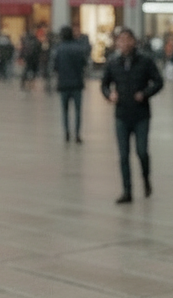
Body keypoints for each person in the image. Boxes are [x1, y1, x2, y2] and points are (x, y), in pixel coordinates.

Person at [101, 28, 163, 203]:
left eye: (127, 39)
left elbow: (159, 82)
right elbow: (104, 84)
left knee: (142, 152)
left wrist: (145, 93)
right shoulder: (113, 63)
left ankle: (146, 179)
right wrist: (109, 95)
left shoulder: (145, 61)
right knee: (123, 155)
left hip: (141, 114)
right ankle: (127, 190)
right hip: (121, 115)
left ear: (134, 41)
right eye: (120, 40)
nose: (124, 43)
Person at [53, 25, 88, 143]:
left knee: (65, 110)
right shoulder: (78, 48)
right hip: (77, 84)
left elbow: (55, 67)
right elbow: (84, 64)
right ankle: (77, 134)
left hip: (63, 84)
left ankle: (66, 133)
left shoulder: (59, 49)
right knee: (78, 111)